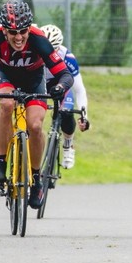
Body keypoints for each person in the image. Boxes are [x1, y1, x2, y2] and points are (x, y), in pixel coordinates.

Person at [0, 1, 74, 209]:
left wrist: (59, 87)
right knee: (6, 105)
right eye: (13, 32)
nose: (19, 37)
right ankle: (1, 163)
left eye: (23, 31)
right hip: (5, 77)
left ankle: (36, 179)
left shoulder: (39, 39)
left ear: (29, 28)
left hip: (33, 79)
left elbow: (65, 74)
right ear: (4, 30)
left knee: (35, 126)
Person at [39, 24, 90, 168]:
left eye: (53, 49)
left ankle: (68, 145)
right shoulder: (31, 52)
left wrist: (84, 115)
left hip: (60, 85)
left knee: (67, 112)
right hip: (39, 83)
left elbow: (79, 89)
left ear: (59, 48)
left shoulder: (67, 57)